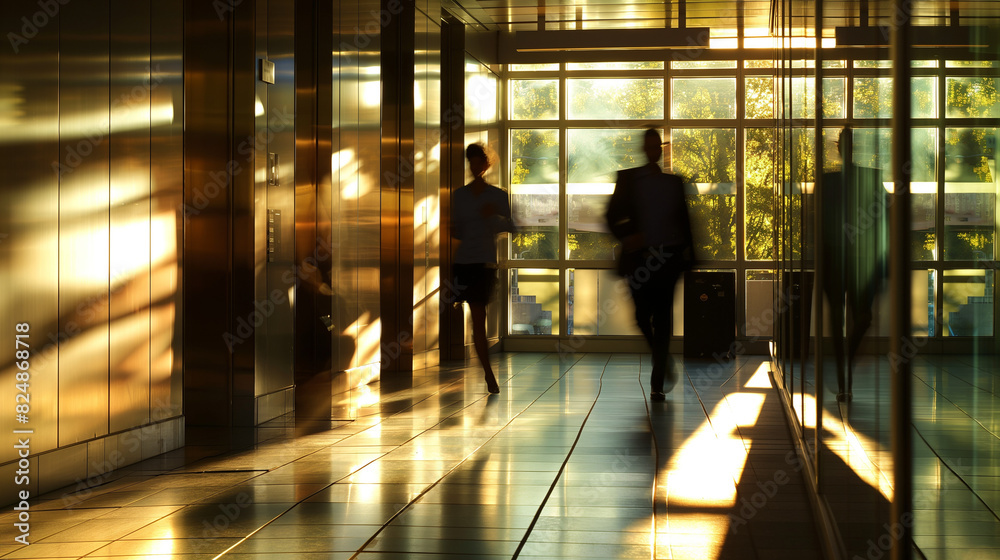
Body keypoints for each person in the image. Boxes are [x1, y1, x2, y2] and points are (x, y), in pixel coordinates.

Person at [605, 128, 694, 402]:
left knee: (663, 319)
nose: (653, 150)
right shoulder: (629, 179)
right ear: (645, 148)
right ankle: (662, 357)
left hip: (667, 258)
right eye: (650, 145)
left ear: (660, 149)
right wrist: (628, 236)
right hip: (640, 258)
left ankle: (657, 382)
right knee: (642, 317)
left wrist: (692, 256)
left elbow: (685, 221)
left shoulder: (673, 183)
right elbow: (610, 216)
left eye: (657, 146)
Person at [819, 127, 888, 402]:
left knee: (855, 319)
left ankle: (843, 366)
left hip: (850, 264)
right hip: (853, 263)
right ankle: (843, 374)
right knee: (855, 318)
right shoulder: (869, 178)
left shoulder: (836, 181)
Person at [451, 143, 517, 394]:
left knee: (479, 319)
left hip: (484, 263)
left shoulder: (498, 195)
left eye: (479, 162)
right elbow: (457, 229)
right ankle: (488, 374)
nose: (475, 167)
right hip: (464, 262)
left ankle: (488, 374)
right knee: (477, 319)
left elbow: (513, 226)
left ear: (486, 164)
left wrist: (495, 218)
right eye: (471, 162)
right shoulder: (460, 195)